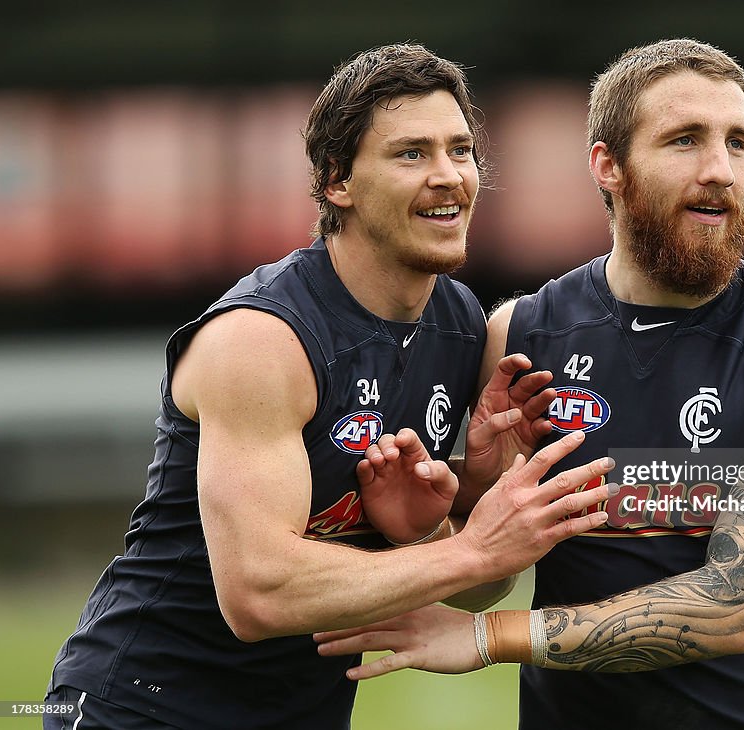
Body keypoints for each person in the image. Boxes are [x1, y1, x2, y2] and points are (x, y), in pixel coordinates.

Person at [43, 43, 618, 730]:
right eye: (411, 154)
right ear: (337, 181)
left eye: (459, 150)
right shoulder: (262, 340)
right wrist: (471, 546)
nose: (449, 176)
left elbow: (477, 589)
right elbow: (257, 593)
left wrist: (447, 517)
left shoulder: (459, 324)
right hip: (140, 706)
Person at [315, 38, 744, 730]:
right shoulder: (520, 334)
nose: (720, 170)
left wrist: (492, 641)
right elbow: (488, 578)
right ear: (608, 166)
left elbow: (739, 607)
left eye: (739, 143)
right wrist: (434, 527)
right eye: (685, 141)